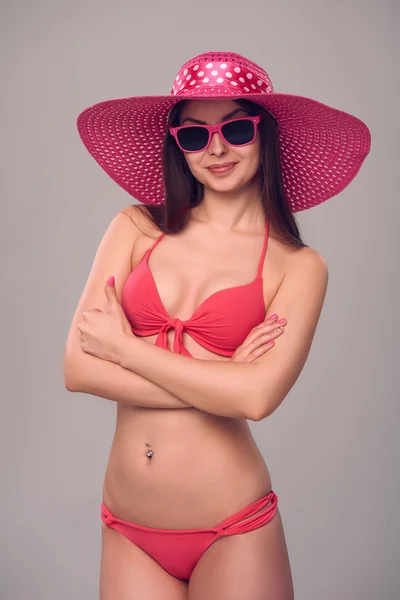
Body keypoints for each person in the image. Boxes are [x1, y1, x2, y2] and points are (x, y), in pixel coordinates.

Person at [64, 51, 371, 599]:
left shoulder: (299, 266)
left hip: (231, 527)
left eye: (236, 128)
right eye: (194, 136)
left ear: (265, 135)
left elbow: (255, 400)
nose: (217, 149)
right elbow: (78, 367)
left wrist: (125, 348)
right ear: (177, 148)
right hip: (129, 529)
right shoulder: (135, 226)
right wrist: (219, 377)